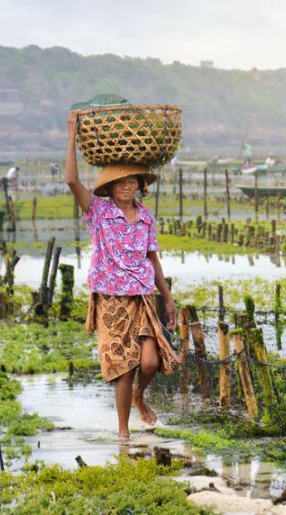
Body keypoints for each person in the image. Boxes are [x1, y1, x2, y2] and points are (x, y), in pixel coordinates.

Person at [65, 110, 180, 440]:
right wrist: (72, 134)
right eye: (121, 182)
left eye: (133, 181)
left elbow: (153, 259)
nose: (127, 187)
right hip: (112, 300)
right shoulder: (99, 213)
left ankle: (138, 397)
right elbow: (72, 181)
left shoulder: (145, 217)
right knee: (125, 368)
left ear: (140, 186)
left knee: (148, 363)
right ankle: (123, 433)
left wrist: (167, 299)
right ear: (110, 187)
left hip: (143, 296)